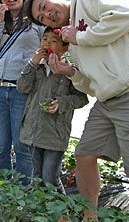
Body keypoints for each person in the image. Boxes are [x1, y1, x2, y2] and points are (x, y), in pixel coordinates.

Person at [25, 0, 129, 221]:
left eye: (44, 6)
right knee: (85, 155)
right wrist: (70, 72)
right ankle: (90, 216)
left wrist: (81, 36)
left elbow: (127, 17)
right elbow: (90, 85)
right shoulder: (70, 42)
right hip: (109, 98)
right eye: (41, 17)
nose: (47, 15)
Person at [0, 0, 45, 184]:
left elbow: (46, 50)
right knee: (0, 147)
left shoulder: (36, 20)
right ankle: (5, 192)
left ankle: (23, 193)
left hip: (22, 90)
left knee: (22, 146)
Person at [17, 27, 88, 193]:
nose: (47, 44)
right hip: (33, 130)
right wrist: (32, 63)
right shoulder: (36, 67)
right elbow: (22, 87)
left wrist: (61, 103)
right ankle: (40, 211)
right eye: (45, 39)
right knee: (36, 176)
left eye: (54, 41)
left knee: (50, 178)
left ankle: (61, 212)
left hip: (55, 133)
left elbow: (82, 98)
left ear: (65, 48)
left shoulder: (69, 71)